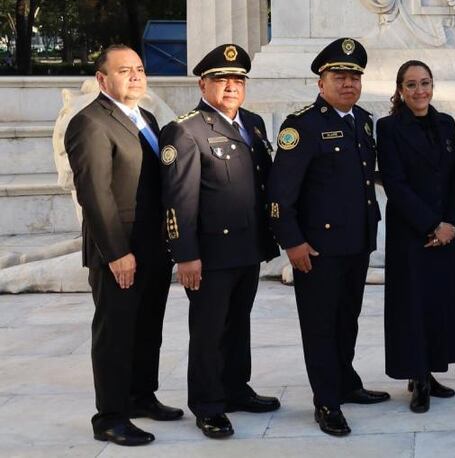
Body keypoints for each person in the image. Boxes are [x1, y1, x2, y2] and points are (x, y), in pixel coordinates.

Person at [267, 38, 389, 437]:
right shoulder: (302, 126)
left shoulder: (363, 121)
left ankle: (345, 381)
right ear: (322, 83)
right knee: (320, 325)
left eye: (354, 76)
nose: (349, 83)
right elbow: (280, 194)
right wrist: (293, 243)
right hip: (317, 248)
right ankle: (326, 401)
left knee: (347, 319)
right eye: (340, 76)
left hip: (356, 243)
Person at [159, 44, 281, 439]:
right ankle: (209, 404)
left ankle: (235, 388)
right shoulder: (185, 129)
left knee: (238, 324)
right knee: (209, 330)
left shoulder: (254, 123)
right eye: (222, 80)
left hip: (248, 248)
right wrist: (186, 255)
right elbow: (178, 198)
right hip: (210, 254)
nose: (231, 86)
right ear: (203, 84)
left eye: (238, 79)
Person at [64, 45, 181, 446]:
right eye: (124, 70)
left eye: (140, 69)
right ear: (102, 79)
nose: (135, 76)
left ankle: (140, 397)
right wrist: (116, 253)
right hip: (119, 251)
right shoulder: (91, 123)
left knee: (148, 329)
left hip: (152, 248)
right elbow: (95, 195)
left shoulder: (144, 117)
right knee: (115, 334)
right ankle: (111, 417)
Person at [377, 60, 455, 414]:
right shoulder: (388, 128)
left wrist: (451, 224)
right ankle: (416, 378)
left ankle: (431, 372)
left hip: (444, 231)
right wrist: (432, 225)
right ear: (400, 90)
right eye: (412, 85)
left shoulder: (445, 124)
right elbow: (395, 183)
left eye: (425, 83)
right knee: (411, 306)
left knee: (438, 304)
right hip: (411, 232)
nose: (420, 91)